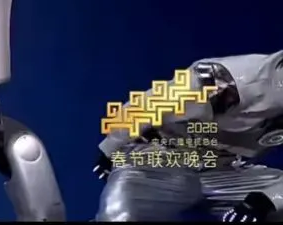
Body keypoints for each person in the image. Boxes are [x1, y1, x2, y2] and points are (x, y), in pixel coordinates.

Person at [94, 50, 283, 221]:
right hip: (161, 158)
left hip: (226, 170)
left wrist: (267, 200)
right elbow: (152, 103)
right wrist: (111, 146)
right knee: (120, 217)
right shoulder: (230, 80)